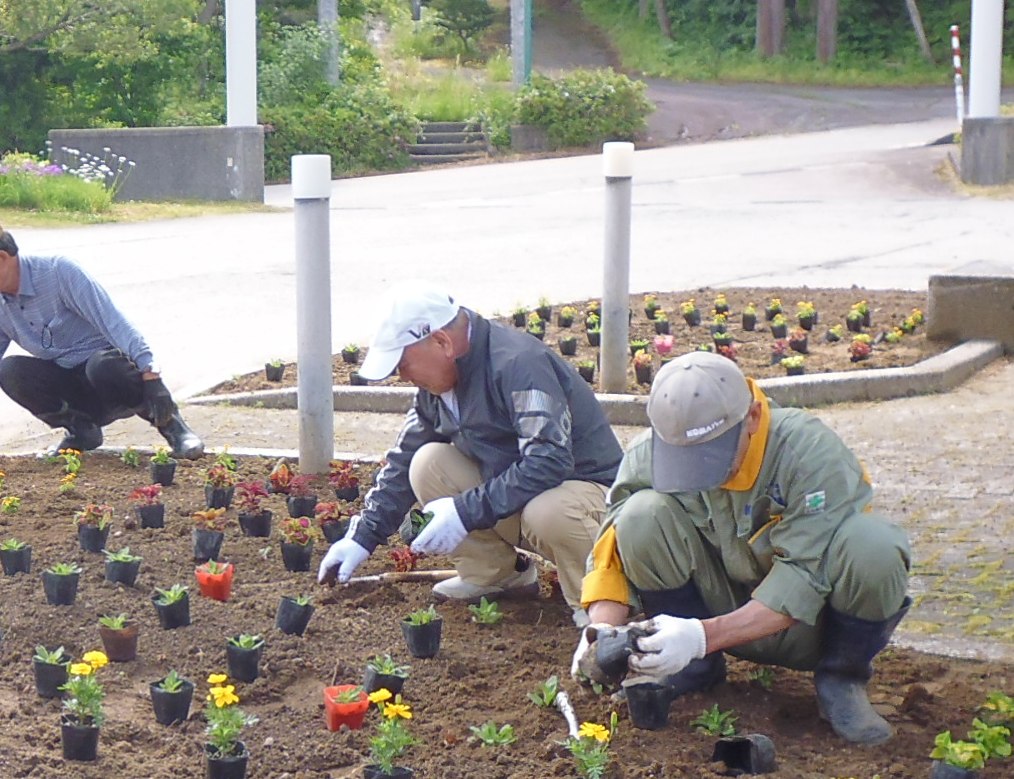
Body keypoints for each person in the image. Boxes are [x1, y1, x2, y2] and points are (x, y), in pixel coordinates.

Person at [572, 351, 911, 745]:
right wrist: (602, 627)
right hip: (716, 609)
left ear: (751, 416)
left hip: (809, 627)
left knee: (874, 545)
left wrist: (700, 637)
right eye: (683, 458)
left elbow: (805, 575)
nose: (698, 471)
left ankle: (841, 682)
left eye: (710, 454)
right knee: (638, 514)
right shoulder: (649, 450)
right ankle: (694, 669)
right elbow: (612, 542)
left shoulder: (810, 454)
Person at [316, 286, 624, 605]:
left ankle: (604, 604)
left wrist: (464, 512)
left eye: (402, 364)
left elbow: (548, 461)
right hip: (530, 499)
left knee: (548, 512)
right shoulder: (438, 386)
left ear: (441, 341)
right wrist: (362, 537)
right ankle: (497, 577)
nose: (402, 376)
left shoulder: (519, 364)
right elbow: (404, 459)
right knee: (427, 463)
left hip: (594, 500)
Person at [0, 211, 203, 463]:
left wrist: (153, 377)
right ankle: (81, 431)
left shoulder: (58, 272)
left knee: (102, 365)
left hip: (111, 379)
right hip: (72, 387)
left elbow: (115, 322)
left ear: (0, 258)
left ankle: (175, 429)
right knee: (10, 370)